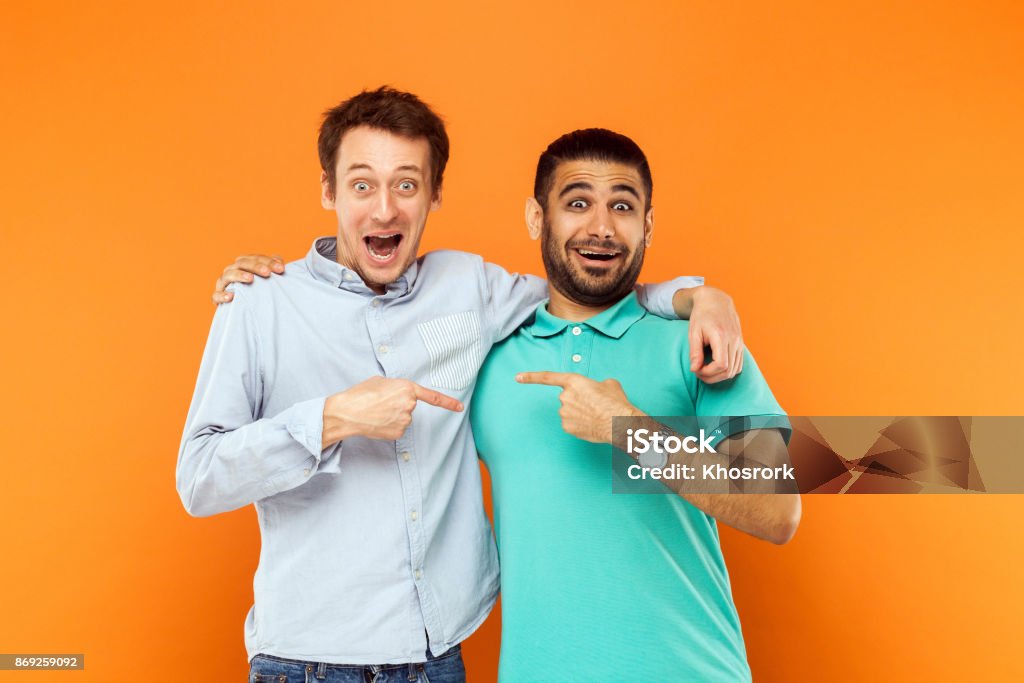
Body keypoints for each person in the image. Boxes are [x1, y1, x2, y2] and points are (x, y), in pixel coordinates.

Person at [178, 87, 745, 682]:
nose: (384, 210)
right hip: (312, 662)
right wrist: (333, 419)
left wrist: (700, 296)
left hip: (445, 657)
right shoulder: (262, 305)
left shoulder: (693, 346)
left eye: (406, 184)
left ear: (433, 195)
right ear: (329, 190)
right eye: (362, 184)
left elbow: (794, 493)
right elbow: (197, 478)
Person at [470, 128, 800, 681]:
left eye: (622, 206)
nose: (601, 227)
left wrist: (630, 430)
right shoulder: (485, 358)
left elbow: (778, 511)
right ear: (536, 218)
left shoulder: (698, 345)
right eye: (578, 203)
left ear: (647, 224)